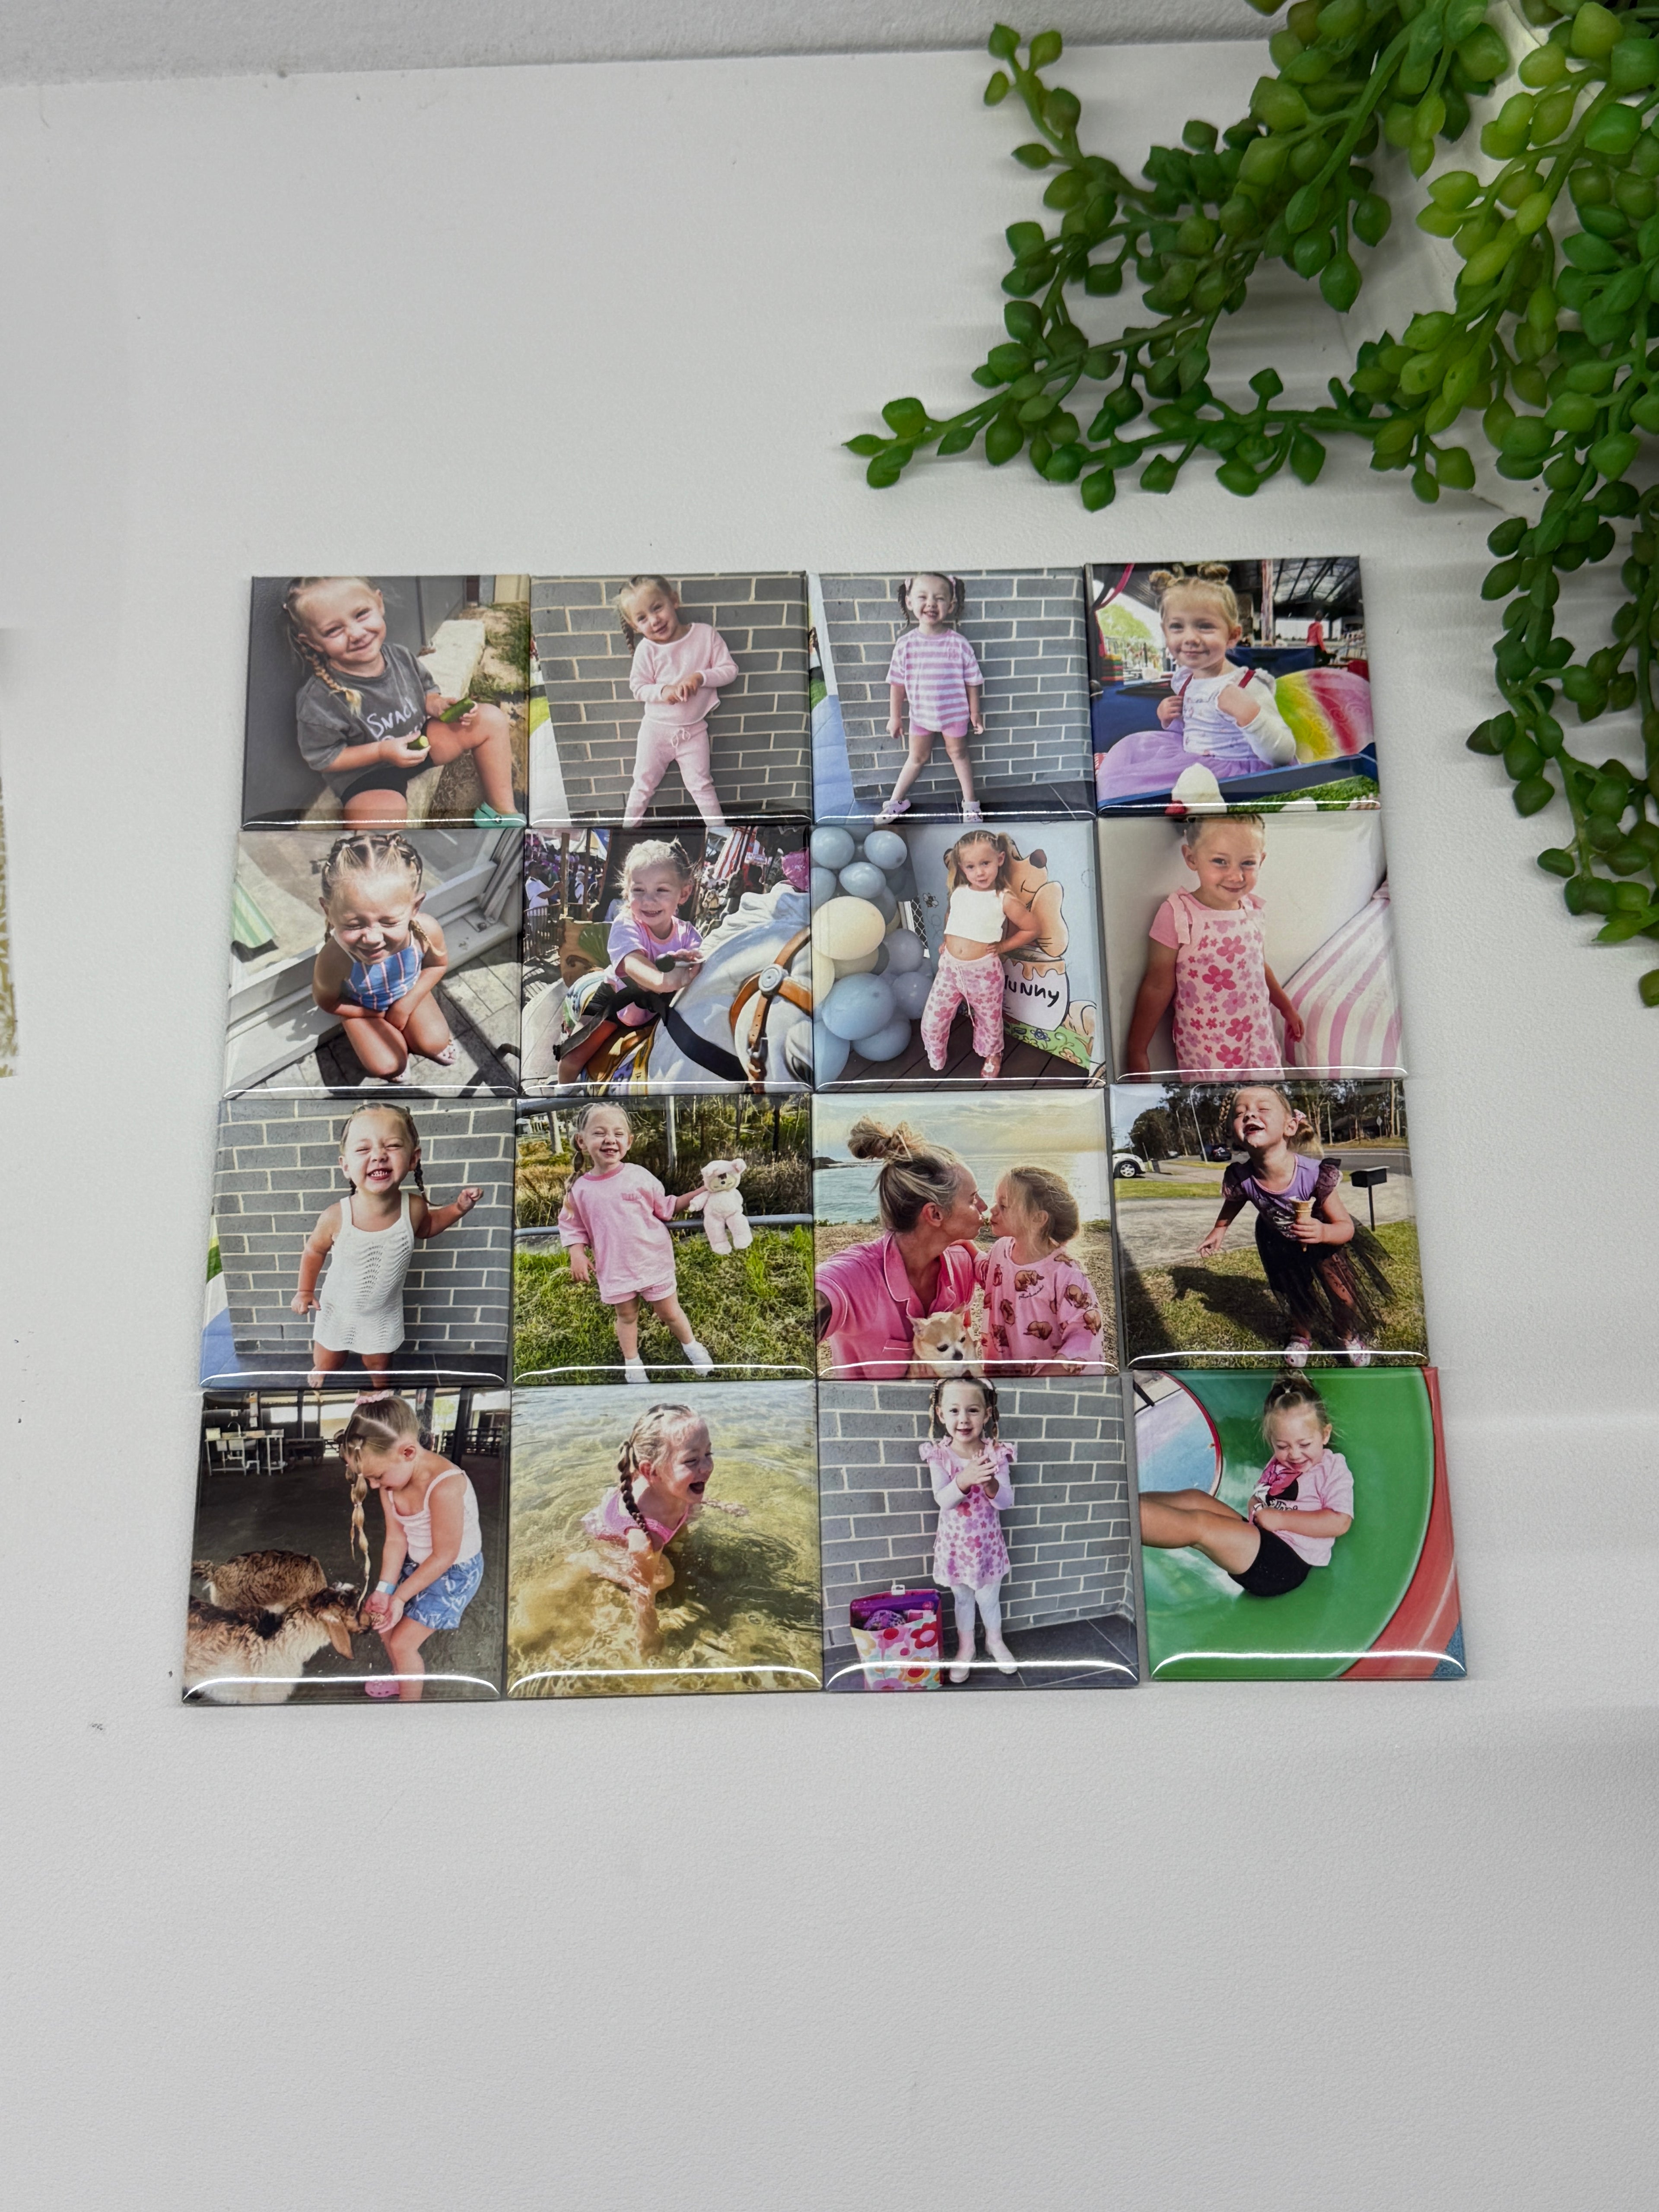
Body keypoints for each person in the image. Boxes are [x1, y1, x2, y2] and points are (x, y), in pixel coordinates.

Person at [283, 575, 524, 827]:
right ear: (312, 642)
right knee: (381, 818)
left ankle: (502, 813)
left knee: (489, 719)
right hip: (368, 774)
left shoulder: (400, 656)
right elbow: (326, 758)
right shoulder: (320, 699)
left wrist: (438, 705)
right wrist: (382, 751)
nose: (356, 634)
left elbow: (426, 692)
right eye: (334, 630)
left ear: (379, 604)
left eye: (361, 614)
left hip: (420, 744)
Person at [291, 1103, 481, 1387]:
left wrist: (458, 1208)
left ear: (413, 1158)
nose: (379, 1155)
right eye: (363, 1149)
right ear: (346, 1166)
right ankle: (321, 1368)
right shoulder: (336, 1216)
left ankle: (379, 1393)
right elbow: (314, 1251)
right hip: (338, 1308)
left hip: (382, 1313)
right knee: (329, 1359)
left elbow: (428, 1227)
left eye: (392, 1146)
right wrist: (305, 1291)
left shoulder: (413, 1208)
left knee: (379, 1365)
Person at [1197, 1085, 1387, 1367]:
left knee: (1344, 1297)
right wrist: (1220, 1229)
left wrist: (1322, 1232)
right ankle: (1301, 1335)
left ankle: (1347, 1334)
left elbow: (1345, 1227)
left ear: (1290, 1127)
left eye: (1262, 1109)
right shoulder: (1242, 1177)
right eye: (1240, 1113)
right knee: (1295, 1295)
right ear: (1234, 1134)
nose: (1250, 1115)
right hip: (1279, 1245)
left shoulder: (1313, 1175)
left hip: (1324, 1243)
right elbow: (1236, 1200)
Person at [1122, 812, 1304, 1081]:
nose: (1236, 876)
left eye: (1248, 863)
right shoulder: (1179, 915)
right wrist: (1137, 1049)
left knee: (1264, 1103)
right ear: (1192, 858)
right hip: (1209, 1051)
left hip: (1259, 1042)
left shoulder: (1253, 910)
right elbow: (1157, 985)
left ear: (1261, 860)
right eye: (1220, 861)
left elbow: (1258, 967)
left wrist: (1286, 1008)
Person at [1137, 1372, 1353, 1599]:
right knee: (1195, 1498)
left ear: (1325, 1434)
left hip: (1285, 1564)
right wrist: (1256, 1505)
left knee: (1202, 1526)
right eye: (1282, 1446)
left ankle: (1122, 1517)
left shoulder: (1332, 1468)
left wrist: (1281, 1519)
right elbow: (1262, 1495)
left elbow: (1340, 1522)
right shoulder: (1279, 1463)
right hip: (1261, 1540)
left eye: (1305, 1444)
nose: (1295, 1454)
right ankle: (1130, 1499)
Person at [1095, 566, 1297, 807]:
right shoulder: (1187, 680)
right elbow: (1192, 730)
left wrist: (1251, 716)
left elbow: (1283, 755)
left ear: (1232, 636)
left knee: (1144, 791)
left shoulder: (1247, 685)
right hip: (1190, 759)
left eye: (1205, 626)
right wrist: (1169, 718)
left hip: (1235, 774)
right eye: (1177, 627)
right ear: (1165, 633)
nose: (1190, 638)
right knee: (1129, 756)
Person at [814, 1117, 985, 1380]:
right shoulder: (855, 1276)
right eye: (973, 1199)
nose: (984, 1206)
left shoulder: (961, 1264)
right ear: (935, 1214)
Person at [340, 1393, 486, 1700]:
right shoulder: (391, 1483)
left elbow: (445, 1555)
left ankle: (410, 1710)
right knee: (384, 1625)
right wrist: (385, 1591)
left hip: (454, 1570)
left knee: (402, 1643)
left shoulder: (445, 1486)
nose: (375, 1486)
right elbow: (396, 1540)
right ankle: (403, 1677)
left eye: (378, 1476)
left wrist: (400, 1597)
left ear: (408, 1452)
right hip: (419, 1560)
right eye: (369, 1479)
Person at [556, 1104, 714, 1382]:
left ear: (629, 1142)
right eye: (599, 1133)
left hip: (652, 1261)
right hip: (615, 1268)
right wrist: (576, 1254)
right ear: (581, 1141)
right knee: (627, 1316)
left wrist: (705, 1190)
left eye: (618, 1134)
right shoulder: (579, 1190)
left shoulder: (638, 1175)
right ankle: (633, 1363)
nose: (610, 1140)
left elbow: (668, 1207)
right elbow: (571, 1225)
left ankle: (692, 1347)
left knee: (670, 1313)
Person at [580, 1402, 748, 1656]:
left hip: (660, 1511)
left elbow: (692, 1493)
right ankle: (591, 1564)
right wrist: (648, 1636)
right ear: (651, 1472)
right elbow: (642, 1592)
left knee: (691, 1517)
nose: (707, 1467)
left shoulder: (672, 1485)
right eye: (692, 1460)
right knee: (664, 1578)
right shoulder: (647, 1539)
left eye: (709, 1454)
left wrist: (718, 1504)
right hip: (614, 1542)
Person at [310, 829, 458, 1083]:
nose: (372, 938)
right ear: (329, 912)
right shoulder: (334, 958)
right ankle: (396, 1055)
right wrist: (373, 1015)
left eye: (389, 922)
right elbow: (328, 1002)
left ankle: (416, 1039)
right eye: (354, 925)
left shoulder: (425, 931)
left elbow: (437, 965)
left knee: (434, 1042)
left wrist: (405, 1005)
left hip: (407, 993)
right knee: (388, 1064)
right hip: (364, 1008)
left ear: (415, 907)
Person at [918, 830, 1040, 1080]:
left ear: (1000, 859)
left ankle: (993, 1053)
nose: (980, 873)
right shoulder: (960, 892)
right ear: (962, 868)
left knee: (989, 1020)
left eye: (985, 863)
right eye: (971, 867)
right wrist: (947, 940)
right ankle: (935, 1053)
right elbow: (951, 915)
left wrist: (1004, 947)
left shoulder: (1003, 899)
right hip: (950, 968)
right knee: (933, 1019)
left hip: (984, 973)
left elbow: (1032, 928)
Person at [617, 575, 736, 827]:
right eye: (642, 618)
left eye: (657, 608)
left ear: (674, 601)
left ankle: (721, 834)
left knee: (702, 785)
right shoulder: (647, 649)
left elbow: (729, 670)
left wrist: (700, 677)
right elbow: (638, 687)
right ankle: (626, 831)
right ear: (634, 626)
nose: (654, 620)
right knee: (642, 784)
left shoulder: (705, 635)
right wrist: (663, 692)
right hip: (656, 732)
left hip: (693, 731)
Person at [921, 1376, 1017, 1680]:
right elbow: (943, 1500)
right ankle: (967, 1647)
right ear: (941, 1414)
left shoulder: (996, 1453)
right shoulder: (939, 1455)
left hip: (988, 1546)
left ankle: (994, 1641)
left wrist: (989, 1482)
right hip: (956, 1547)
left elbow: (1005, 1501)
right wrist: (965, 1478)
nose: (963, 1419)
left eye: (973, 1410)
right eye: (954, 1411)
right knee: (962, 1599)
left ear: (987, 1414)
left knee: (989, 1598)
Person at [875, 573, 986, 824]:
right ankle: (896, 802)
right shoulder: (906, 645)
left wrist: (975, 713)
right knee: (917, 758)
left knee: (959, 754)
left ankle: (971, 805)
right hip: (920, 716)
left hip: (954, 715)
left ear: (951, 605)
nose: (931, 604)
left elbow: (973, 681)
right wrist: (895, 717)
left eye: (940, 598)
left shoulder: (959, 644)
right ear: (910, 602)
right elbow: (897, 684)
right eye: (923, 597)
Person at [979, 1166, 1107, 1375]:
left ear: (1038, 1219)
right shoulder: (1001, 1249)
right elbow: (986, 1274)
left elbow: (1085, 1335)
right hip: (1002, 1375)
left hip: (1046, 1382)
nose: (993, 1210)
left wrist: (1048, 1376)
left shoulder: (1065, 1272)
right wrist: (960, 1243)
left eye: (1004, 1205)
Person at [606, 839, 704, 1027]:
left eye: (662, 890)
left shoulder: (688, 934)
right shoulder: (626, 925)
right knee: (584, 1042)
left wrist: (691, 961)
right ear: (627, 892)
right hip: (620, 1003)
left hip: (667, 1010)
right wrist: (663, 981)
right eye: (639, 890)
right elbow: (633, 963)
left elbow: (702, 960)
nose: (649, 901)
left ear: (684, 894)